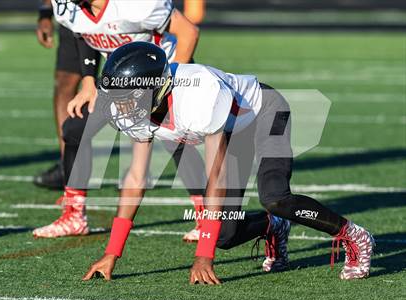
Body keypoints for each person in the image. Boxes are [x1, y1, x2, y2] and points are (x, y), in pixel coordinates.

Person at [81, 42, 375, 283]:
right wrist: (112, 253)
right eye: (117, 98)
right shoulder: (143, 110)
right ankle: (273, 227)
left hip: (264, 112)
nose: (121, 108)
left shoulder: (198, 95)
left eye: (127, 98)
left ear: (156, 90)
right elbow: (135, 179)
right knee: (224, 233)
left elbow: (216, 175)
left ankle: (353, 234)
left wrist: (203, 256)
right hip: (232, 131)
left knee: (275, 197)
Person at [33, 0, 206, 241]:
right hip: (121, 81)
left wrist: (171, 83)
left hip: (165, 74)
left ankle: (206, 216)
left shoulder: (136, 5)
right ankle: (74, 216)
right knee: (76, 126)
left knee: (176, 140)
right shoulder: (69, 7)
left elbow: (189, 32)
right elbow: (82, 32)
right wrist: (88, 81)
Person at [34, 0, 101, 189]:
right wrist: (46, 11)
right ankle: (69, 168)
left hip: (114, 12)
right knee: (65, 80)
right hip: (74, 13)